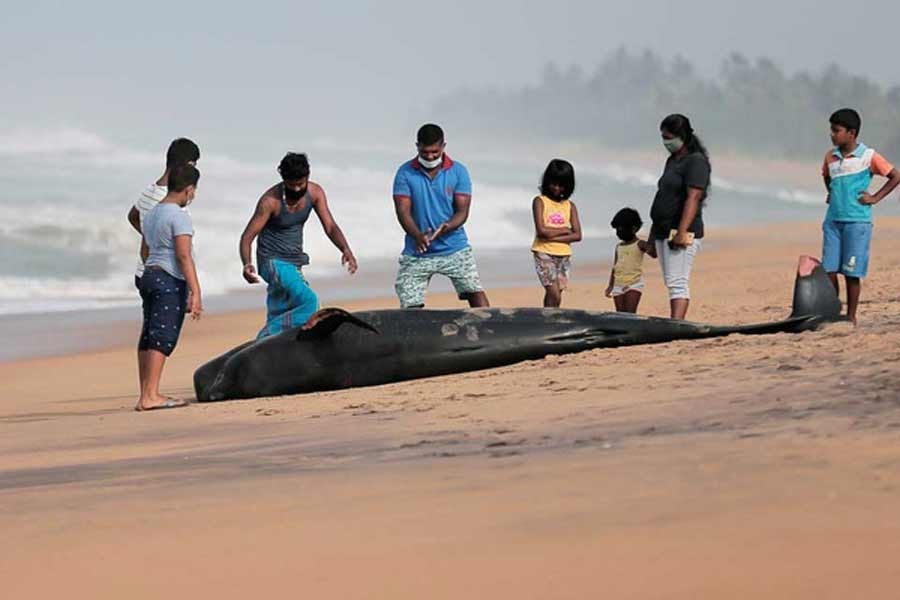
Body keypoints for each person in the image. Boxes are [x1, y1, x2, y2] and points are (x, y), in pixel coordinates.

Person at [239, 152, 357, 338]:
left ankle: (276, 349)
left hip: (294, 261)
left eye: (300, 184)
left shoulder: (315, 193)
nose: (296, 189)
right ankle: (262, 341)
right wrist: (247, 263)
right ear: (283, 179)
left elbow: (330, 225)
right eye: (291, 185)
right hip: (272, 261)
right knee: (310, 302)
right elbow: (247, 236)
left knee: (283, 309)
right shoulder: (270, 201)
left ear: (307, 177)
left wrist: (345, 249)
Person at [392, 123, 489, 308]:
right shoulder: (404, 173)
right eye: (425, 152)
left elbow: (462, 212)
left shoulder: (458, 171)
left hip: (454, 246)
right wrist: (417, 235)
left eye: (435, 152)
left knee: (474, 291)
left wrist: (447, 226)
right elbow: (402, 211)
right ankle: (415, 334)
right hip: (418, 250)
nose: (430, 156)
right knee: (409, 302)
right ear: (417, 146)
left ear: (443, 146)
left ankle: (490, 329)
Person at [821, 108, 900, 324]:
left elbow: (895, 176)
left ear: (851, 133)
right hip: (833, 222)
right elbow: (827, 176)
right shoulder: (830, 156)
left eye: (836, 130)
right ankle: (834, 311)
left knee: (851, 272)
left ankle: (851, 316)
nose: (832, 134)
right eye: (831, 130)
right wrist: (831, 192)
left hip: (857, 222)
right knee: (828, 269)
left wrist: (875, 197)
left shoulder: (868, 156)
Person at [135, 164, 203, 411]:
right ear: (188, 189)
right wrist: (195, 291)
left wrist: (150, 273)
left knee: (148, 335)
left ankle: (146, 393)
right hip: (168, 279)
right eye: (194, 191)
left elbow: (145, 249)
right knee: (162, 336)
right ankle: (150, 396)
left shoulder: (153, 212)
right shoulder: (178, 216)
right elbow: (184, 256)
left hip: (150, 274)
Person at [647, 114, 711, 320]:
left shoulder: (696, 162)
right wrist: (651, 237)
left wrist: (682, 232)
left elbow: (693, 197)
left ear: (682, 136)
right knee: (670, 280)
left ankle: (677, 323)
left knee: (677, 281)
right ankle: (675, 322)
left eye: (669, 137)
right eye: (663, 138)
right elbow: (662, 196)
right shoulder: (672, 161)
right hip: (662, 230)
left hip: (681, 230)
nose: (666, 142)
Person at [126, 138, 200, 286]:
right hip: (166, 274)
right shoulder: (171, 198)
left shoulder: (150, 190)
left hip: (146, 272)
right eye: (194, 165)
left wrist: (154, 238)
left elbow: (133, 216)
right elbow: (182, 253)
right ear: (187, 165)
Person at [531, 159, 582, 307]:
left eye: (561, 185)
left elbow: (578, 235)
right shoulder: (540, 201)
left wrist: (551, 234)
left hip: (564, 255)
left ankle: (548, 320)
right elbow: (541, 232)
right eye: (553, 183)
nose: (556, 188)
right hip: (543, 252)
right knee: (553, 292)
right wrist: (565, 231)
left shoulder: (570, 206)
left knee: (557, 293)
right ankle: (550, 318)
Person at [605, 208, 652, 313]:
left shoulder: (640, 244)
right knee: (620, 314)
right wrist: (610, 285)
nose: (618, 232)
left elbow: (653, 252)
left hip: (633, 284)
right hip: (618, 284)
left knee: (630, 313)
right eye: (616, 229)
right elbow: (615, 267)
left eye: (621, 229)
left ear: (634, 228)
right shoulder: (619, 246)